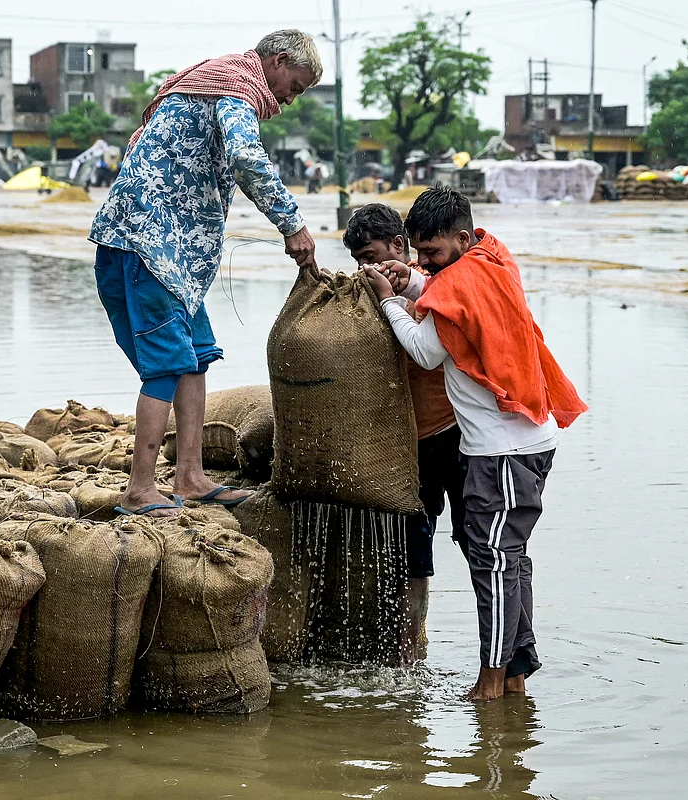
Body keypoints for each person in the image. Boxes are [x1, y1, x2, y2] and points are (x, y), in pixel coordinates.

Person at [361, 186, 587, 701]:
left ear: (461, 237)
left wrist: (392, 302)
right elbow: (452, 293)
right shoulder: (491, 257)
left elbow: (423, 351)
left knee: (494, 562)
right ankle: (515, 672)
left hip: (502, 450)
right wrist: (419, 279)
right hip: (521, 440)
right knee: (508, 559)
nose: (424, 262)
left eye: (432, 253)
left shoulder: (456, 286)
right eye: (417, 253)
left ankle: (491, 679)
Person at [90, 30, 323, 517]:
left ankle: (191, 477)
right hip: (148, 243)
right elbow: (245, 156)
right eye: (294, 86)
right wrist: (292, 223)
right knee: (167, 363)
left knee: (195, 356)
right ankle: (139, 488)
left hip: (174, 255)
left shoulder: (215, 81)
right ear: (277, 62)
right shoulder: (235, 87)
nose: (288, 99)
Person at [341, 203, 469, 660]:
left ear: (399, 246)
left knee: (473, 539)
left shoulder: (432, 286)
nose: (365, 268)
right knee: (412, 551)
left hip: (452, 434)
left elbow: (426, 351)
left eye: (372, 256)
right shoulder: (366, 296)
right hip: (401, 444)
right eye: (358, 261)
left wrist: (394, 298)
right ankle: (409, 647)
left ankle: (493, 649)